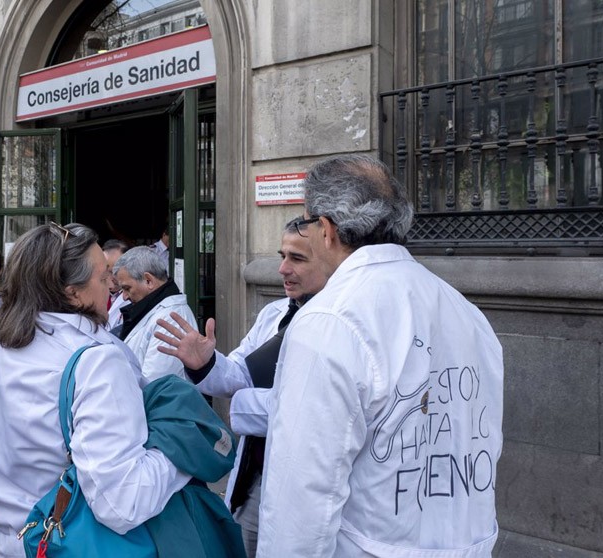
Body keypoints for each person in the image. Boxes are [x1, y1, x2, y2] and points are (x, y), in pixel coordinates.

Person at [258, 155, 504, 556]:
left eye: (305, 223)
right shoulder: (464, 311)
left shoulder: (330, 319)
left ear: (326, 230)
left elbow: (301, 499)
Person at [0, 222, 191, 557]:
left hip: (9, 542)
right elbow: (122, 503)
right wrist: (182, 451)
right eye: (103, 278)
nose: (112, 288)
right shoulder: (97, 361)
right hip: (71, 542)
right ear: (72, 292)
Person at [153, 219, 328, 557]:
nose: (282, 269)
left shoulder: (338, 321)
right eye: (282, 256)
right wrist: (203, 361)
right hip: (253, 476)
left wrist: (245, 405)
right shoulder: (274, 312)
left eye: (297, 259)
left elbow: (311, 408)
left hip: (306, 482)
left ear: (328, 258)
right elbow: (236, 376)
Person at [112, 246, 195, 382]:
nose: (125, 297)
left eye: (127, 288)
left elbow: (154, 385)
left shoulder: (171, 318)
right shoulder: (157, 311)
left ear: (148, 280)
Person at [101, 238, 129, 332]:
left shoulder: (132, 297)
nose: (112, 278)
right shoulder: (91, 291)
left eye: (116, 271)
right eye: (108, 271)